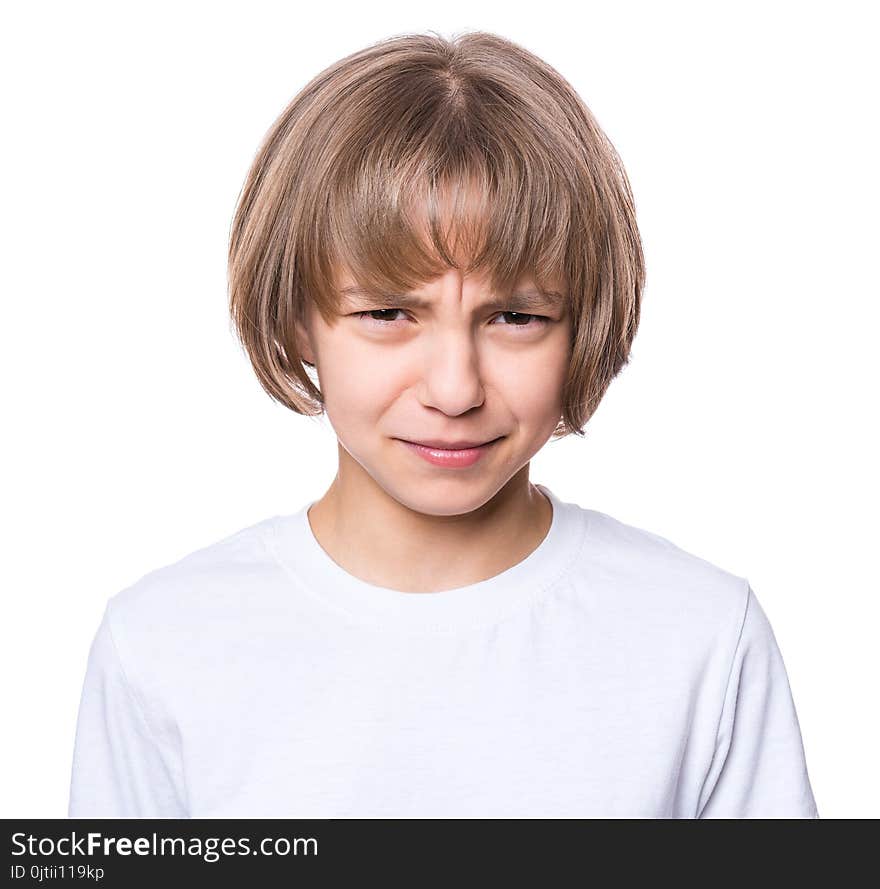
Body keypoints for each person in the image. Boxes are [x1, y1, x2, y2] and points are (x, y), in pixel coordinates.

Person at [67, 30, 818, 818]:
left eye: (517, 317)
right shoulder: (163, 644)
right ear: (297, 319)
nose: (455, 389)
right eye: (387, 312)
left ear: (580, 326)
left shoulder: (700, 636)